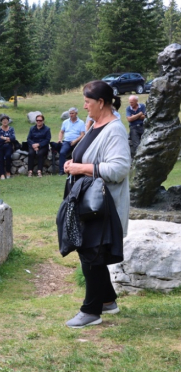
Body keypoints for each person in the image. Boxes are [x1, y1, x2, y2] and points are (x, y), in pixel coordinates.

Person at [63, 80, 131, 328]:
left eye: (88, 102)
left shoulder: (114, 130)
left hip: (103, 206)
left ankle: (91, 311)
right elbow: (85, 153)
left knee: (90, 253)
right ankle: (108, 301)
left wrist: (81, 168)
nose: (84, 107)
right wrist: (72, 164)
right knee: (91, 251)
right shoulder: (94, 124)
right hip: (88, 202)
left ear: (101, 103)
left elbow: (120, 168)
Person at [50, 108, 86, 175]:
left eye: (72, 113)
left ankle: (77, 170)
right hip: (67, 141)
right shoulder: (65, 122)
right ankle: (62, 170)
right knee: (62, 152)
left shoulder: (81, 122)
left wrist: (75, 141)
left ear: (76, 114)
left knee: (77, 153)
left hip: (77, 141)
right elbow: (61, 132)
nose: (71, 115)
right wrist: (60, 139)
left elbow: (82, 134)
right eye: (70, 113)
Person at [0, 115, 16, 180]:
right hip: (0, 146)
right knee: (0, 158)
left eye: (6, 120)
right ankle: (2, 174)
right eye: (3, 120)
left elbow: (13, 138)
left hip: (8, 146)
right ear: (1, 122)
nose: (5, 121)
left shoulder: (11, 129)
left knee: (8, 156)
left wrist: (3, 138)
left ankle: (8, 172)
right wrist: (7, 139)